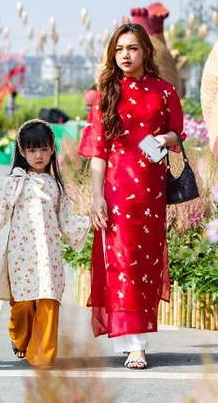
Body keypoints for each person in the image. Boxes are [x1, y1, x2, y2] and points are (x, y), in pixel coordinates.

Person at [78, 23, 184, 370]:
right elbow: (98, 150)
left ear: (146, 53)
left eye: (133, 48)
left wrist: (163, 141)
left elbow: (176, 131)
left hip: (152, 193)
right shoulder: (107, 93)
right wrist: (97, 197)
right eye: (120, 48)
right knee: (122, 265)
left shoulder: (164, 91)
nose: (125, 54)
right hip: (117, 192)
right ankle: (134, 344)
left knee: (146, 264)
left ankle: (138, 337)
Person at [0, 120, 90, 369]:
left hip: (49, 257)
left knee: (48, 302)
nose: (39, 155)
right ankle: (19, 339)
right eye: (32, 150)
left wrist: (92, 220)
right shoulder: (14, 183)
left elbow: (66, 220)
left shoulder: (56, 186)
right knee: (23, 305)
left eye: (44, 149)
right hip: (22, 257)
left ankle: (42, 358)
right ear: (23, 152)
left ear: (52, 150)